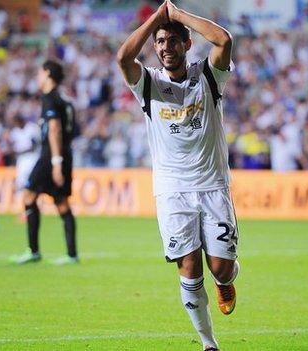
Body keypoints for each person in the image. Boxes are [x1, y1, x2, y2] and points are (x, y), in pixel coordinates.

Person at [117, 1, 239, 349]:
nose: (165, 47)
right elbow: (124, 58)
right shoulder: (149, 84)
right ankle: (208, 342)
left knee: (221, 268)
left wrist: (178, 15)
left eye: (173, 41)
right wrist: (157, 18)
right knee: (188, 267)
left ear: (187, 44)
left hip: (213, 186)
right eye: (159, 42)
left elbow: (224, 40)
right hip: (172, 192)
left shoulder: (208, 76)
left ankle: (226, 281)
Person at [10, 60, 78, 265]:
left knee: (29, 195)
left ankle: (33, 251)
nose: (37, 77)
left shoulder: (50, 98)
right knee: (61, 203)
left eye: (40, 73)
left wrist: (56, 161)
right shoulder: (65, 99)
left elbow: (55, 129)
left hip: (51, 156)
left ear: (47, 73)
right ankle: (72, 254)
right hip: (65, 154)